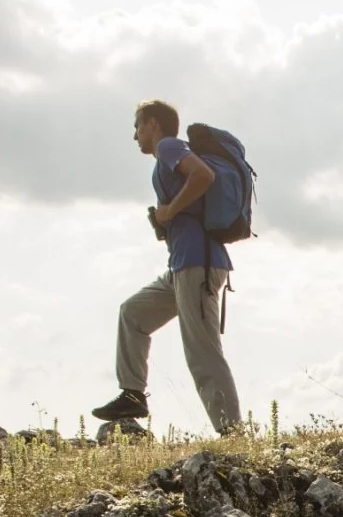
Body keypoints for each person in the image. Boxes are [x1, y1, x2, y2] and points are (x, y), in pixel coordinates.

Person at [93, 99, 243, 435]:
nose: (134, 136)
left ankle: (232, 433)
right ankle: (132, 394)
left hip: (198, 265)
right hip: (182, 268)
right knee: (133, 313)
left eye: (137, 126)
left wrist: (169, 211)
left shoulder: (169, 146)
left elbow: (203, 176)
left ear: (152, 124)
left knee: (202, 353)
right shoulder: (167, 153)